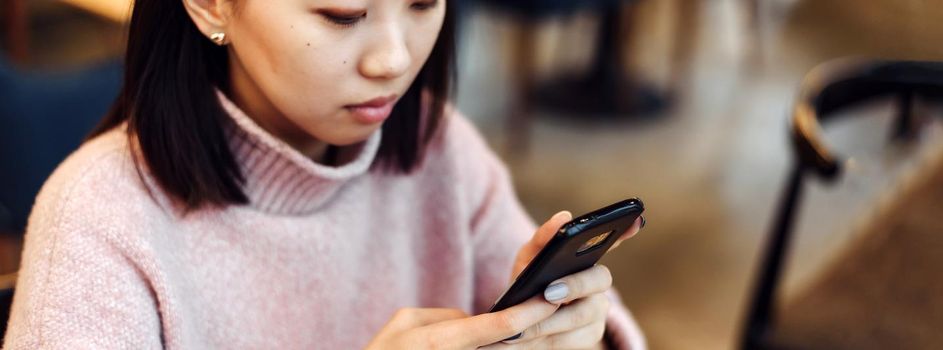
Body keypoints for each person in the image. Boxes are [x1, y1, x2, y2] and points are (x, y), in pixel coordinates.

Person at [2, 0, 646, 348]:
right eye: (342, 15)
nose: (394, 59)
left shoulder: (437, 147)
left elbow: (598, 324)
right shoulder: (97, 223)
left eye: (423, 4)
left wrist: (577, 336)